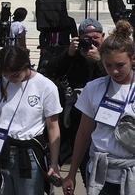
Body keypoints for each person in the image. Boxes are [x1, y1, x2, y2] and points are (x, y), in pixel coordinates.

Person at [62, 21, 135, 195]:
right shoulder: (94, 88)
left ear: (132, 59)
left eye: (120, 65)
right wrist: (71, 173)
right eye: (108, 65)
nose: (114, 71)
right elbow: (84, 133)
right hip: (101, 175)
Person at [0, 46, 62, 194]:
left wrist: (54, 163)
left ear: (26, 65)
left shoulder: (46, 87)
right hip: (0, 150)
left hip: (28, 154)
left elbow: (53, 127)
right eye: (6, 74)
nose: (10, 79)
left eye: (15, 75)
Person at [50, 17, 107, 186]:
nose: (90, 42)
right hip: (72, 122)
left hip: (99, 123)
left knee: (94, 180)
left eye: (95, 38)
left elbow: (115, 80)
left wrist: (99, 61)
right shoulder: (72, 55)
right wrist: (68, 54)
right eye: (86, 38)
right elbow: (51, 71)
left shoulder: (109, 56)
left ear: (103, 36)